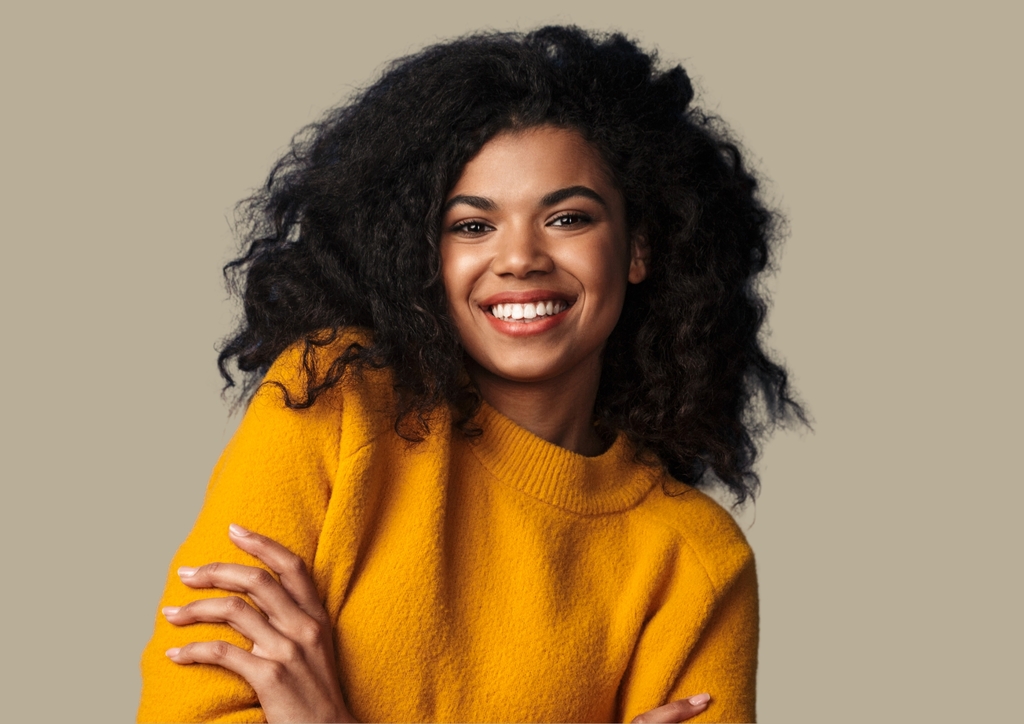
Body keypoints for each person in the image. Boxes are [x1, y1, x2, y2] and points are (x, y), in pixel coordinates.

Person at [138, 25, 803, 723]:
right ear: (423, 254)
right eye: (472, 226)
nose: (520, 258)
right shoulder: (331, 400)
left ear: (637, 249)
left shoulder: (694, 561)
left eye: (568, 217)